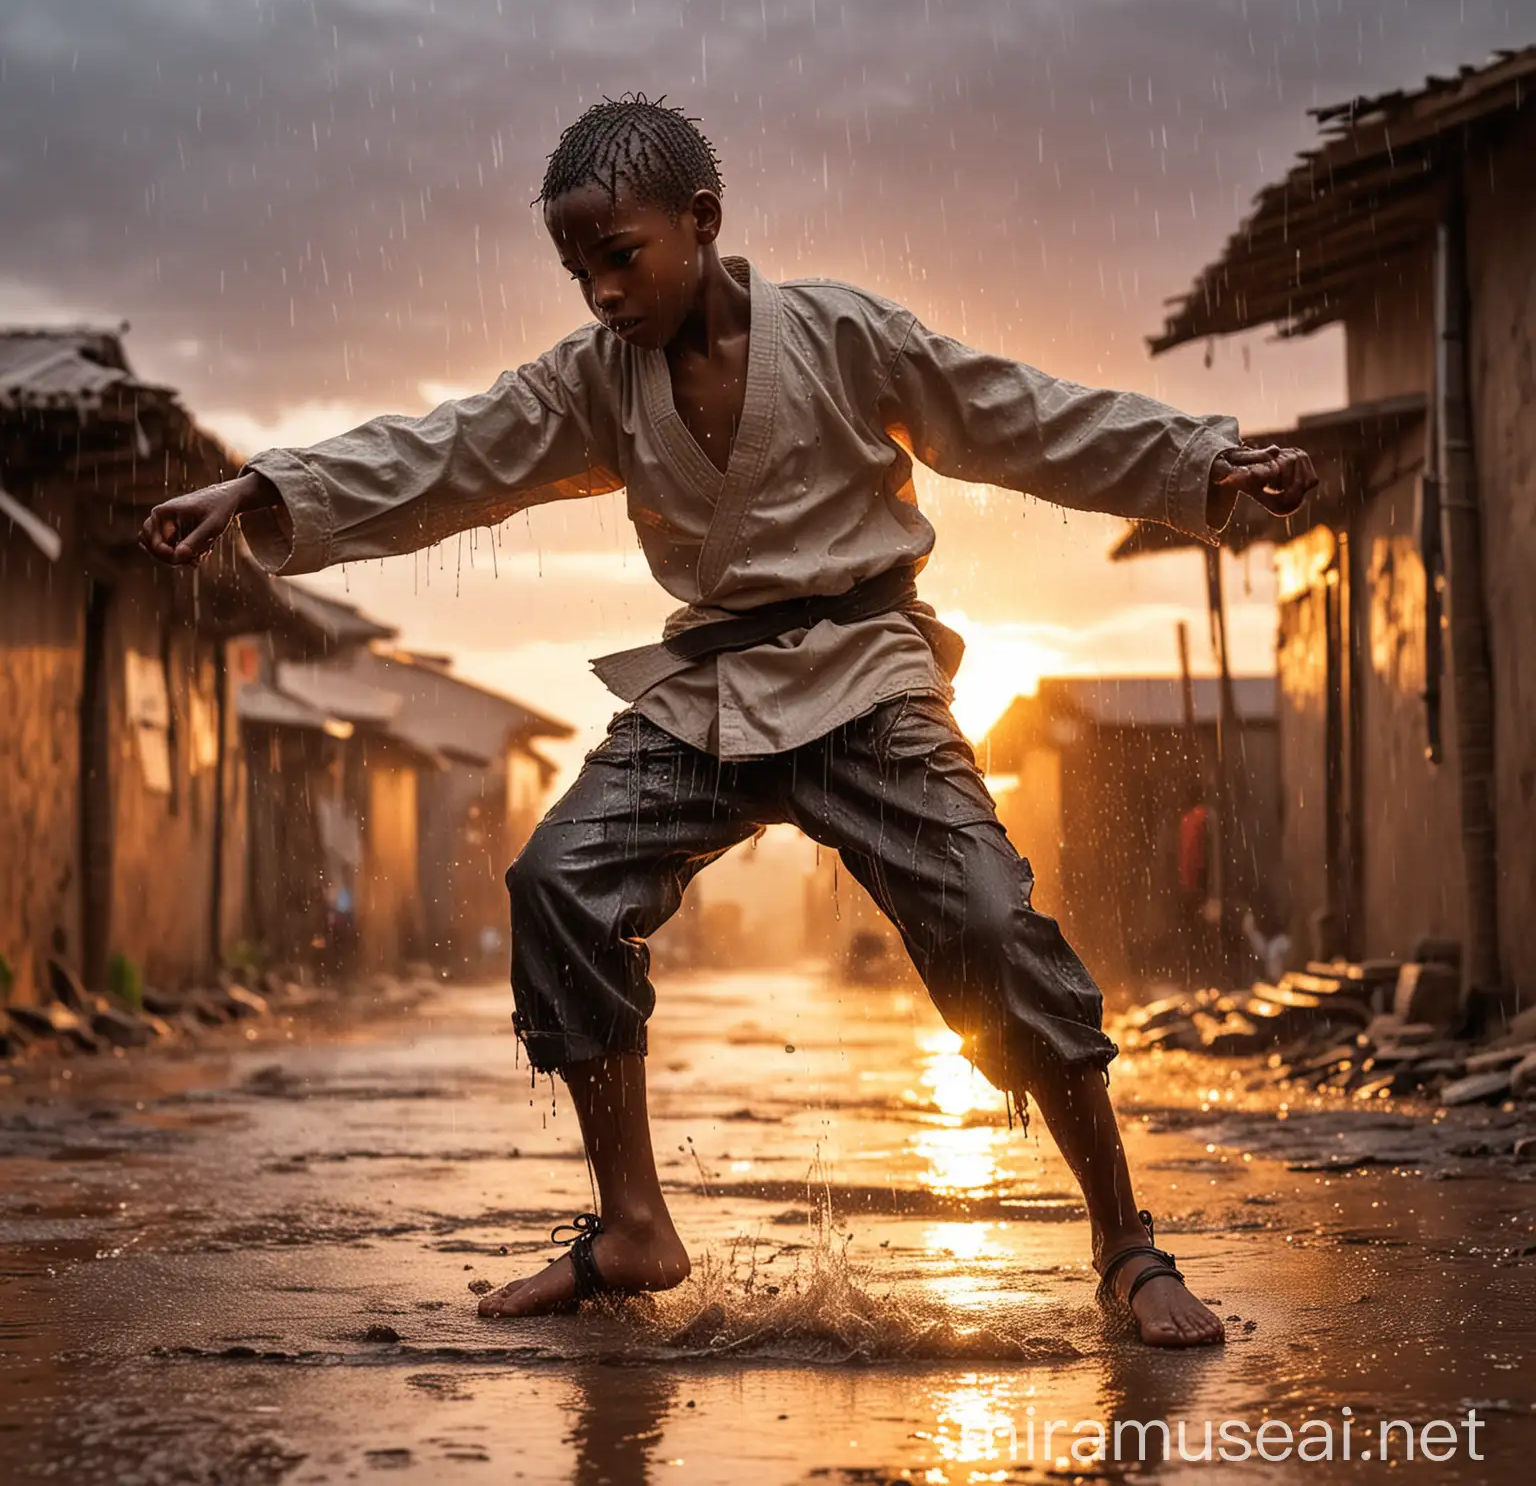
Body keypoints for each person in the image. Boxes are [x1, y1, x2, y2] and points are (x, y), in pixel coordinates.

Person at [141, 94, 1316, 1347]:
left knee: (985, 918)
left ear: (703, 221)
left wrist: (1206, 461)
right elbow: (448, 451)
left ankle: (1126, 1244)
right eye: (577, 268)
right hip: (706, 691)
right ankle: (633, 1226)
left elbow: (1019, 412)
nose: (600, 292)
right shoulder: (595, 382)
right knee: (558, 879)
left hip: (868, 673)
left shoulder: (842, 336)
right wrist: (266, 488)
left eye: (621, 255)